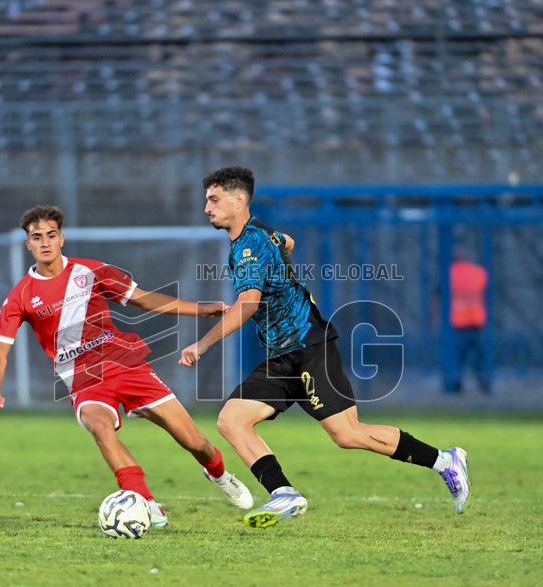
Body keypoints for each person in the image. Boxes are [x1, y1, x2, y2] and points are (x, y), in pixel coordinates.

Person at [180, 166, 471, 528]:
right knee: (231, 420)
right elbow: (289, 243)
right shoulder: (258, 234)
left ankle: (445, 461)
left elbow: (248, 304)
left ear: (239, 200)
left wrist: (203, 344)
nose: (207, 207)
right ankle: (283, 493)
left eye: (214, 199)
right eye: (207, 199)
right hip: (280, 355)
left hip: (309, 346)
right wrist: (278, 245)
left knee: (348, 435)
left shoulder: (249, 247)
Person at [0, 205, 253, 528]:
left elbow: (144, 299)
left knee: (194, 440)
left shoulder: (90, 272)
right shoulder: (21, 296)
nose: (44, 242)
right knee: (100, 428)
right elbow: (0, 349)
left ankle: (219, 474)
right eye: (36, 237)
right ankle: (146, 504)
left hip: (126, 365)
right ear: (28, 244)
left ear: (62, 239)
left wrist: (201, 310)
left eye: (51, 235)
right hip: (83, 379)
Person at [447, 248, 490, 394]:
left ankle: (455, 385)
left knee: (457, 358)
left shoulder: (450, 273)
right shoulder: (479, 272)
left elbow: (438, 296)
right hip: (477, 321)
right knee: (480, 358)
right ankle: (484, 384)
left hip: (458, 322)